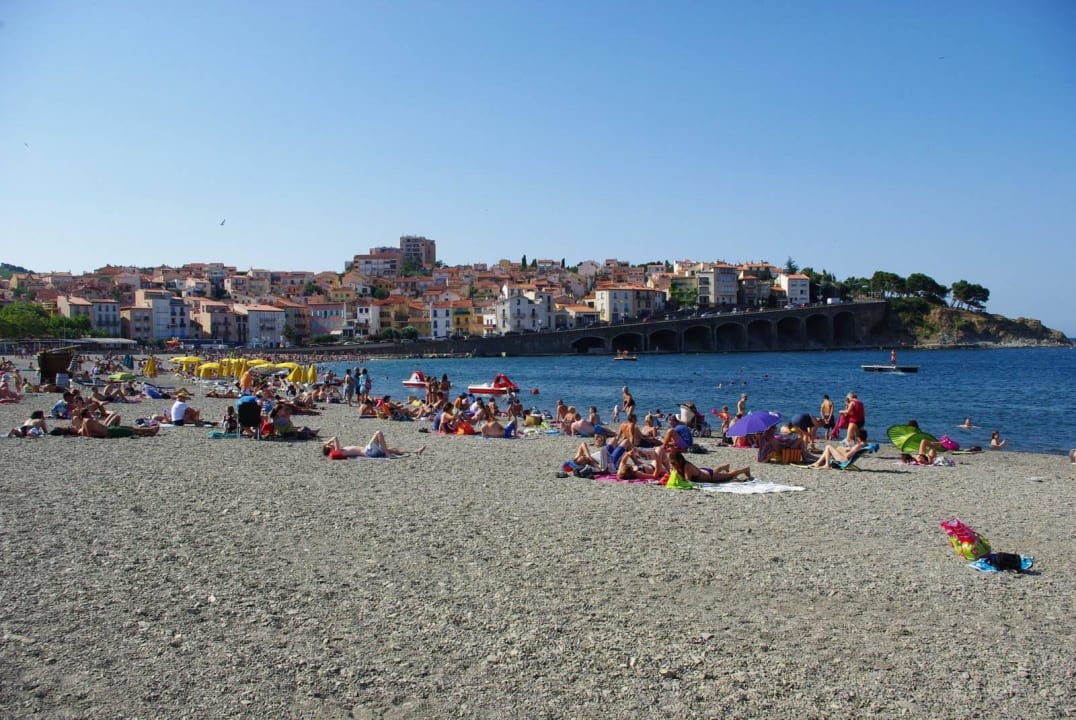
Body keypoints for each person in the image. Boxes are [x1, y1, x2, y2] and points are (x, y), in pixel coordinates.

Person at [322, 432, 424, 459]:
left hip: (369, 451)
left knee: (393, 449)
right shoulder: (338, 451)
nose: (331, 445)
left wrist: (328, 444)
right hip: (368, 452)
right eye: (330, 446)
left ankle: (415, 452)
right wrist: (328, 442)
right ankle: (387, 454)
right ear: (330, 450)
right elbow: (335, 437)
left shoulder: (340, 450)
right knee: (378, 433)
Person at [669, 450, 752, 483]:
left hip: (710, 476)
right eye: (671, 463)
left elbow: (688, 481)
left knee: (730, 475)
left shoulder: (686, 466)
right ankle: (724, 467)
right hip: (703, 472)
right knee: (714, 471)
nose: (672, 465)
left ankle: (744, 470)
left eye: (673, 463)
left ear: (679, 460)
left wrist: (676, 475)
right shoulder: (677, 466)